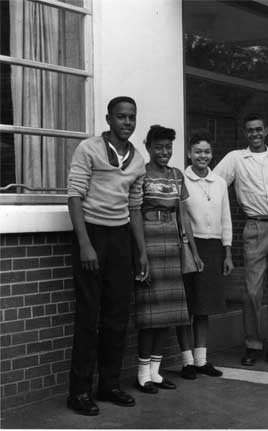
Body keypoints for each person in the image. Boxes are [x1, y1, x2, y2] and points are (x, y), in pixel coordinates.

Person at [66, 96, 147, 415]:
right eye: (121, 117)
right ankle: (78, 392)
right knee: (89, 316)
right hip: (92, 234)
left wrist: (141, 252)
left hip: (121, 239)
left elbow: (135, 207)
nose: (127, 122)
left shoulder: (137, 159)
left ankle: (109, 384)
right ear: (109, 119)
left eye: (132, 117)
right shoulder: (88, 149)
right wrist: (85, 243)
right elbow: (74, 196)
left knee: (117, 317)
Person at [214, 113, 268, 367]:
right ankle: (252, 343)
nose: (254, 134)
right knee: (252, 291)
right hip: (254, 227)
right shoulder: (235, 159)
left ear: (266, 131)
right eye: (250, 130)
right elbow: (215, 184)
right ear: (245, 133)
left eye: (258, 130)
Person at [134, 125, 201, 394]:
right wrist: (140, 253)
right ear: (148, 147)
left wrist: (193, 250)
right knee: (150, 313)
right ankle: (142, 374)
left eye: (168, 147)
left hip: (172, 243)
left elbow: (183, 215)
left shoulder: (177, 176)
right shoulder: (141, 175)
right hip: (149, 241)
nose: (164, 152)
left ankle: (155, 372)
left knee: (169, 312)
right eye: (159, 147)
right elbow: (134, 212)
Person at [176, 131, 234, 379]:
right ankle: (187, 362)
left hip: (213, 248)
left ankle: (202, 360)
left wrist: (228, 252)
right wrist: (189, 247)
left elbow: (226, 218)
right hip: (190, 246)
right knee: (187, 306)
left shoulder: (219, 182)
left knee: (204, 307)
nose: (203, 156)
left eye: (207, 151)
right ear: (189, 153)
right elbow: (181, 218)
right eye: (198, 151)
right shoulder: (181, 179)